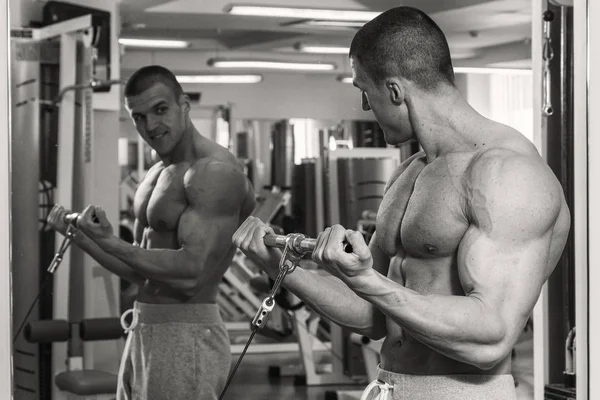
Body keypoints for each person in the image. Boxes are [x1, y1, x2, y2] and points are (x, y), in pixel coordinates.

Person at [232, 6, 570, 400]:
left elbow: (491, 336)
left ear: (394, 90)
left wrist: (367, 279)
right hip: (389, 384)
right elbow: (373, 315)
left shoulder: (507, 174)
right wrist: (283, 269)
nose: (363, 106)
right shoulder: (411, 171)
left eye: (363, 90)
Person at [47, 65, 256, 400]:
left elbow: (192, 274)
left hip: (187, 333)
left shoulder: (214, 171)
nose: (151, 125)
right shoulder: (156, 175)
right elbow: (140, 272)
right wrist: (81, 237)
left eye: (160, 110)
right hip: (145, 328)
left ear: (184, 104)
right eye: (139, 117)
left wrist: (112, 242)